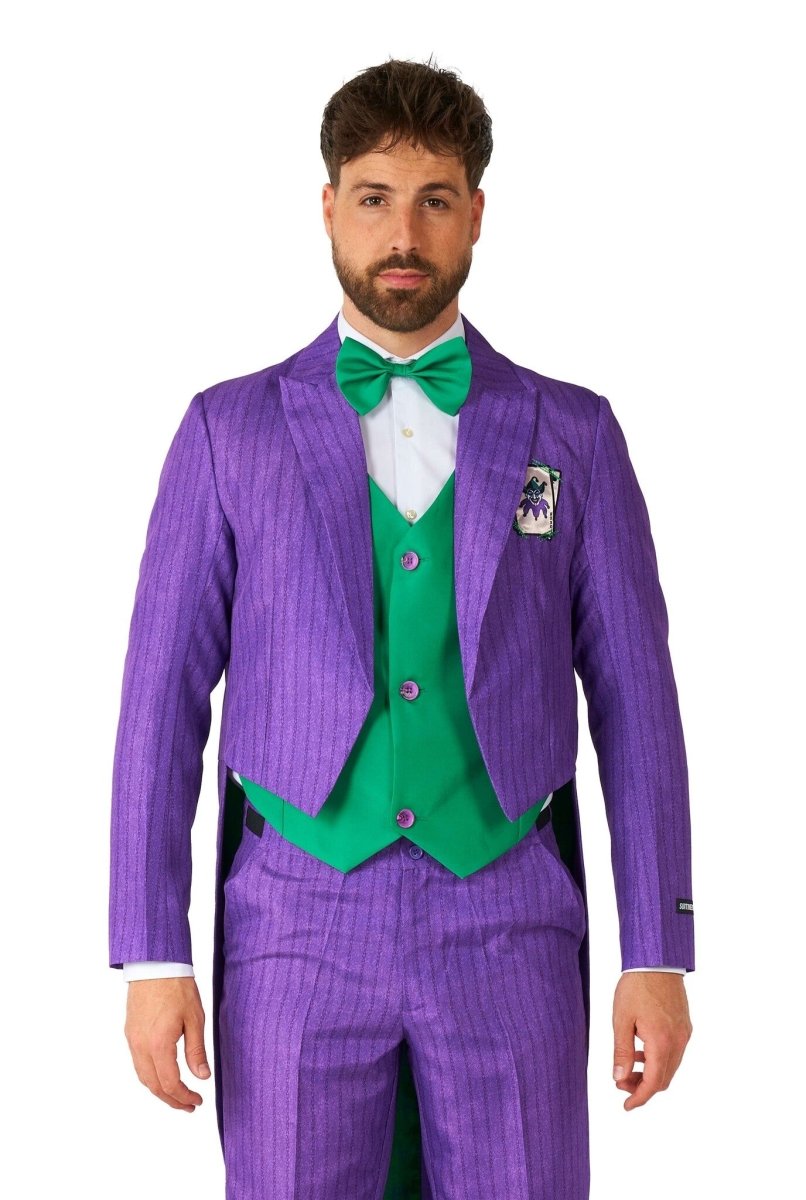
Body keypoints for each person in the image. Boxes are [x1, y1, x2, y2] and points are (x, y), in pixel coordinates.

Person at [109, 56, 694, 1200]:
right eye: (374, 198)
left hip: (510, 913)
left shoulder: (570, 433)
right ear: (329, 207)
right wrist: (151, 951)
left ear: (475, 213)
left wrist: (657, 951)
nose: (403, 234)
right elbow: (157, 703)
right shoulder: (228, 432)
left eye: (433, 200)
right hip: (293, 921)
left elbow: (636, 705)